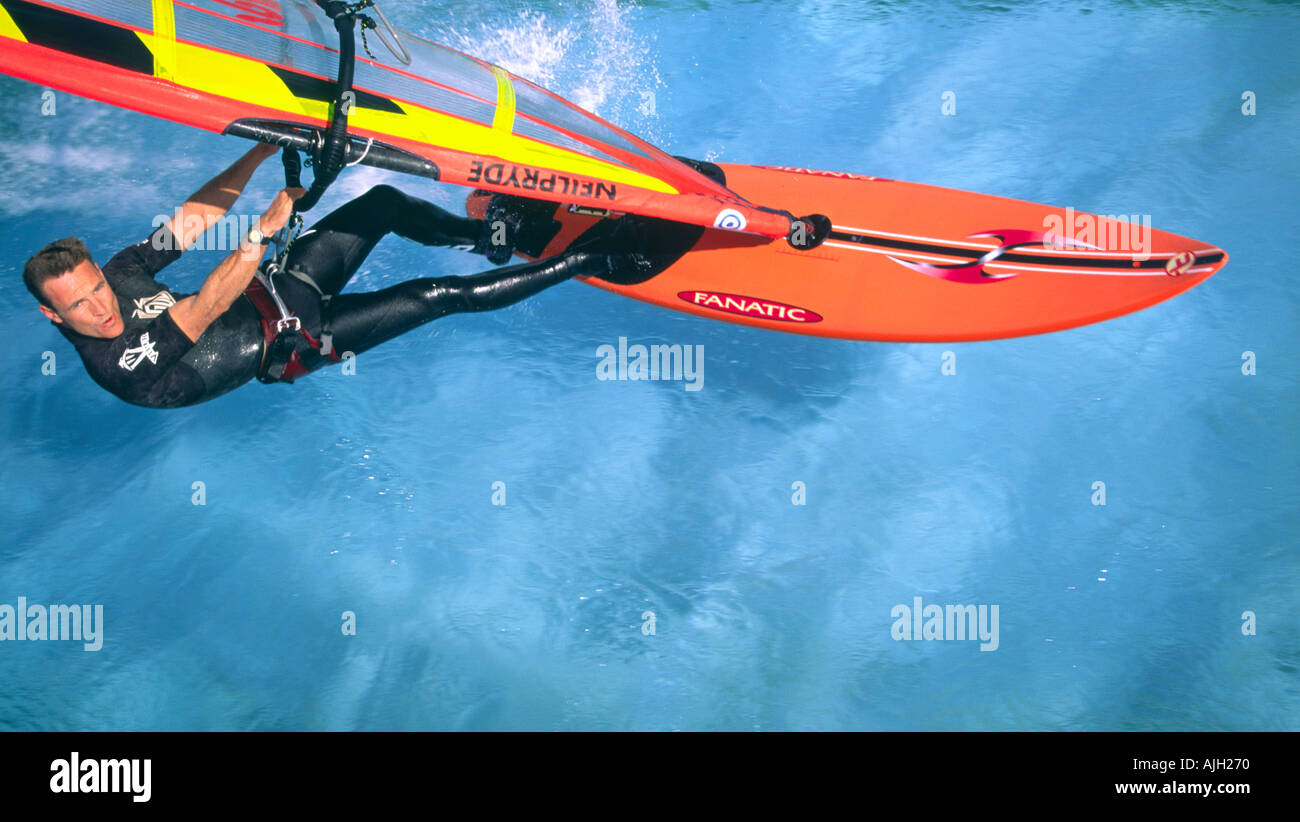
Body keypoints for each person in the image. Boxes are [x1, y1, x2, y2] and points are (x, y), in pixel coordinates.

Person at [22, 144, 658, 409]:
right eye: (78, 306)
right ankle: (592, 259)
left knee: (381, 201)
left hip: (274, 286)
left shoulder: (121, 274)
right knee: (435, 297)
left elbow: (189, 223)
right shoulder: (116, 365)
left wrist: (260, 149)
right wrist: (262, 229)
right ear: (54, 317)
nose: (100, 306)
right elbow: (205, 307)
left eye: (97, 288)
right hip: (301, 339)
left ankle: (490, 236)